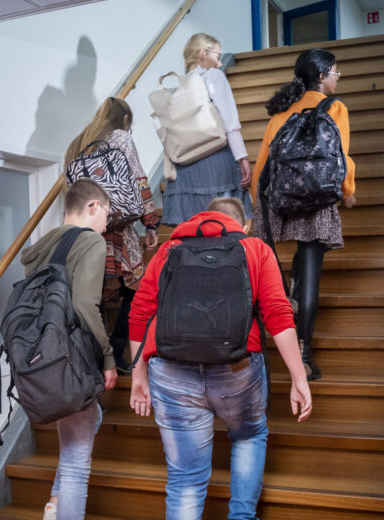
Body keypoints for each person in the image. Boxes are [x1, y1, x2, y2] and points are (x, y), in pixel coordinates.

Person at [129, 197, 312, 520]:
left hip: (170, 370)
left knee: (185, 479)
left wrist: (138, 376)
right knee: (249, 435)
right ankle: (241, 516)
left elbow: (140, 314)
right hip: (237, 369)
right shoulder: (255, 249)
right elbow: (278, 315)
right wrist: (299, 378)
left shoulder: (168, 251)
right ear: (242, 225)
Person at [250, 48, 356, 381]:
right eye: (336, 72)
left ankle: (288, 300)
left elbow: (264, 160)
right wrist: (348, 192)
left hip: (280, 197)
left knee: (283, 265)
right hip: (318, 199)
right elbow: (342, 156)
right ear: (322, 75)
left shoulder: (282, 110)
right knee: (311, 268)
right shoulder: (336, 108)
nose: (337, 78)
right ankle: (304, 355)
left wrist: (258, 201)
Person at [20, 179, 117, 520]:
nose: (108, 222)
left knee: (89, 421)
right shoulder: (90, 241)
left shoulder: (42, 245)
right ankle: (59, 506)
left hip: (41, 359)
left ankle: (55, 504)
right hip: (71, 358)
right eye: (107, 212)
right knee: (77, 463)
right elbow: (85, 304)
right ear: (92, 207)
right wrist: (108, 357)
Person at [64, 97, 160, 373]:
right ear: (125, 120)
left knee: (91, 295)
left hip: (88, 231)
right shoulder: (120, 138)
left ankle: (95, 360)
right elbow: (140, 180)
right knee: (136, 291)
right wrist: (151, 223)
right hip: (119, 230)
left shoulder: (78, 143)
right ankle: (116, 353)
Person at [161, 33, 253, 227]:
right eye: (218, 57)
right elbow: (229, 123)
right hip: (215, 159)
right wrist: (242, 158)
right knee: (223, 226)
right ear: (203, 54)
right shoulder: (213, 76)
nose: (220, 64)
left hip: (185, 167)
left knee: (195, 231)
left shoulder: (180, 87)